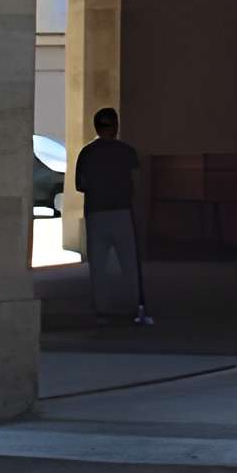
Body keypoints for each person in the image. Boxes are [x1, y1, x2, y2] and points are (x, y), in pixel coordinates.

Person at [75, 107, 152, 325]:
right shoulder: (127, 151)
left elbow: (80, 185)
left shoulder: (86, 153)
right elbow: (137, 182)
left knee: (98, 265)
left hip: (95, 214)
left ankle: (101, 309)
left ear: (96, 127)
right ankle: (135, 306)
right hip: (122, 213)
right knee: (129, 262)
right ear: (116, 126)